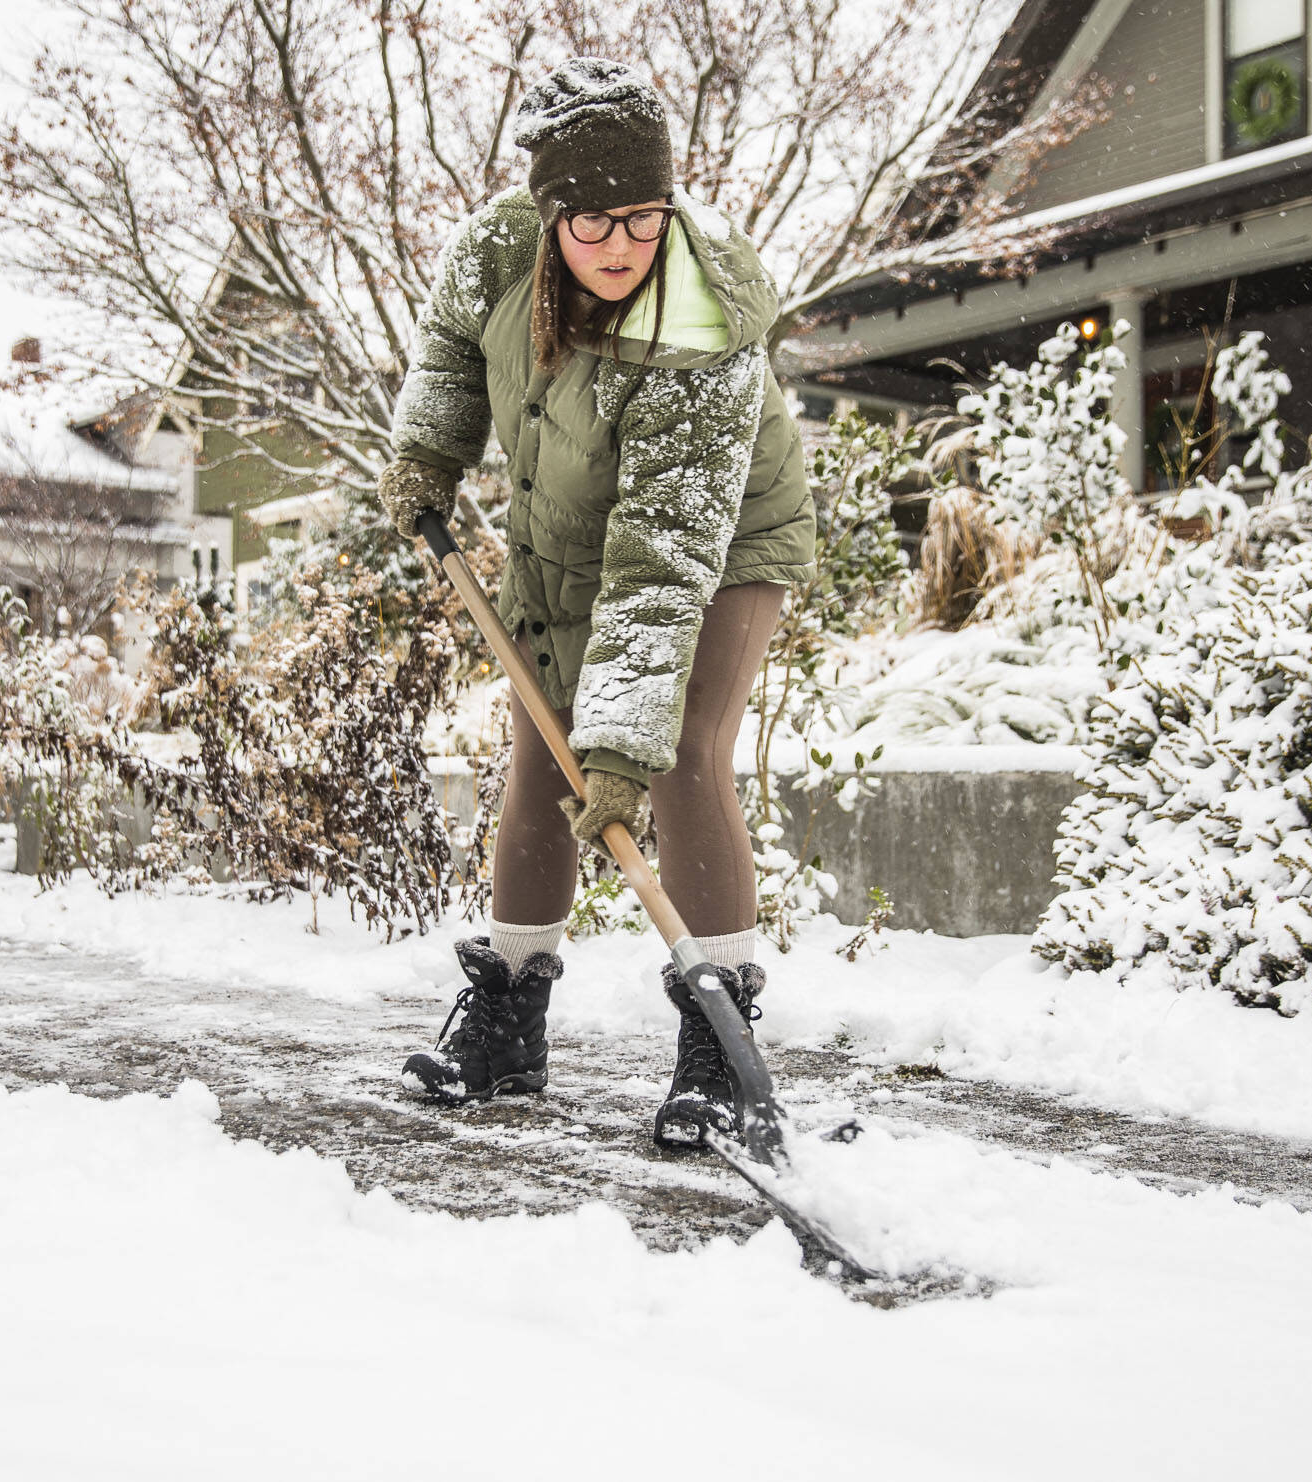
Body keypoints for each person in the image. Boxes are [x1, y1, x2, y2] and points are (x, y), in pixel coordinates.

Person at [378, 56, 815, 1149]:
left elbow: (661, 559)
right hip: (560, 526)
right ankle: (507, 1019)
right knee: (539, 752)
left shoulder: (699, 336)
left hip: (717, 543)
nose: (623, 245)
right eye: (595, 224)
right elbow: (447, 352)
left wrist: (621, 739)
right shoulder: (493, 249)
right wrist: (429, 451)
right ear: (548, 215)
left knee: (676, 754)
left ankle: (715, 1042)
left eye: (645, 218)